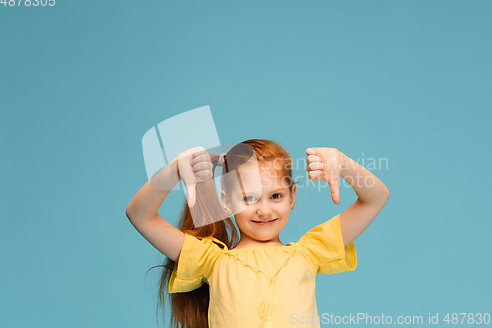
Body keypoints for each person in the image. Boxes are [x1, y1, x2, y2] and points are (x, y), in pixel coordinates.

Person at [125, 139, 390, 328]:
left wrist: (344, 165)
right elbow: (139, 215)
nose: (264, 210)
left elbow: (376, 198)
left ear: (291, 196)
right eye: (249, 198)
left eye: (275, 196)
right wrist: (173, 170)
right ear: (226, 202)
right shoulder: (211, 260)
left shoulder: (310, 251)